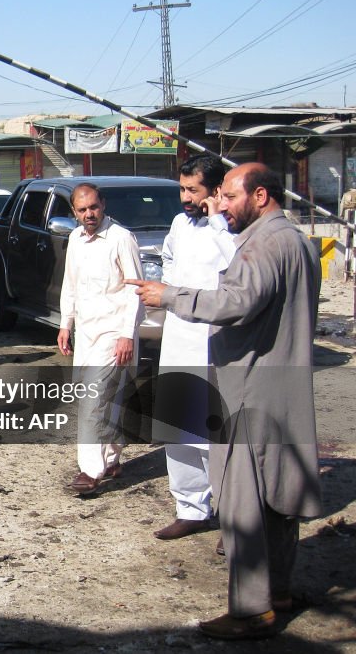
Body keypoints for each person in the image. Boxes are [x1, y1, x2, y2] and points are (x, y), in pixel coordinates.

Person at [130, 163, 321, 641]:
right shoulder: (298, 241)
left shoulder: (262, 245)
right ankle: (277, 593)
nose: (222, 206)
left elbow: (234, 303)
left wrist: (170, 295)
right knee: (277, 501)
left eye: (230, 197)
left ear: (260, 195)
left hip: (248, 390)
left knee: (241, 505)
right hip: (284, 388)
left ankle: (252, 610)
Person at [152, 156, 236, 541]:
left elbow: (241, 267)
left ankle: (233, 519)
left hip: (212, 343)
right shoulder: (179, 224)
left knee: (214, 436)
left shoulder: (231, 230)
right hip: (177, 338)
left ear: (216, 191)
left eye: (193, 190)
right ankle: (190, 508)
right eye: (181, 189)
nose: (185, 198)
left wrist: (219, 219)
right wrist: (168, 287)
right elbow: (168, 255)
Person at [57, 183, 143, 495]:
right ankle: (111, 458)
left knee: (91, 399)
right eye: (82, 210)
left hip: (113, 332)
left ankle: (90, 471)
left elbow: (136, 289)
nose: (89, 214)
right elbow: (71, 284)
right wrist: (66, 323)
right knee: (107, 397)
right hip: (87, 332)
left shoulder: (121, 238)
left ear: (103, 205)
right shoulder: (75, 239)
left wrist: (127, 334)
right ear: (74, 213)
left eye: (93, 207)